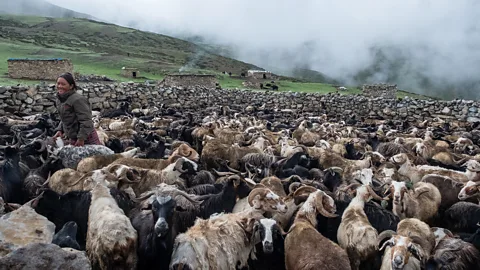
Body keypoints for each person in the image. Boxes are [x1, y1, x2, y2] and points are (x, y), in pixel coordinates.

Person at [52, 72, 101, 146]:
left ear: (71, 86)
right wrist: (60, 130)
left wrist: (81, 138)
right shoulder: (60, 100)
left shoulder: (78, 100)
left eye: (63, 84)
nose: (59, 86)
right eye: (58, 83)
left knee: (94, 157)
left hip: (86, 137)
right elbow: (65, 118)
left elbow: (86, 121)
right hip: (73, 137)